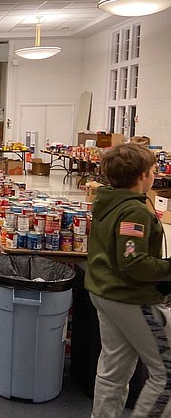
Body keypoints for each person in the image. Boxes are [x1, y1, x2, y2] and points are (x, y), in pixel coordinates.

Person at [85, 143, 171, 418]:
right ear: (142, 175)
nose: (155, 174)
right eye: (153, 170)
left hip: (104, 290)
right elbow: (133, 262)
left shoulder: (108, 200)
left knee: (113, 370)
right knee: (166, 374)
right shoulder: (133, 211)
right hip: (130, 297)